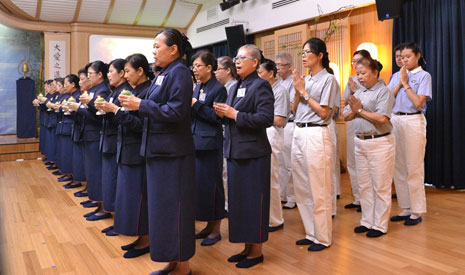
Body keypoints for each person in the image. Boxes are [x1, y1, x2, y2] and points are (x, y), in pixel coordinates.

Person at [119, 29, 195, 275]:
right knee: (162, 210)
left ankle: (183, 267)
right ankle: (171, 261)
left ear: (173, 49)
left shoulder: (181, 73)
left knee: (175, 209)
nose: (153, 51)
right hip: (157, 152)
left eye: (157, 46)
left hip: (173, 154)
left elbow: (176, 112)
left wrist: (141, 104)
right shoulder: (164, 73)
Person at [214, 44, 274, 268]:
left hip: (254, 154)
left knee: (254, 203)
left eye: (242, 58)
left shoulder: (261, 86)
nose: (237, 61)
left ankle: (256, 252)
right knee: (239, 203)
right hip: (234, 151)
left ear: (255, 62)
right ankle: (246, 247)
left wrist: (235, 114)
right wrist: (221, 113)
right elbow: (231, 116)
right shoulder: (234, 87)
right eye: (236, 57)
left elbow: (265, 119)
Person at [291, 37, 338, 251]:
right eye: (302, 52)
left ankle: (323, 237)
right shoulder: (305, 79)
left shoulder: (328, 79)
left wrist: (303, 91)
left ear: (319, 55)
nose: (303, 56)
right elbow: (293, 110)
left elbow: (324, 112)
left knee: (319, 188)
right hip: (298, 131)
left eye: (307, 52)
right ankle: (311, 233)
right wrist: (296, 88)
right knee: (301, 187)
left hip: (317, 133)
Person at [343, 56, 396, 237]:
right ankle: (367, 221)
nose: (360, 77)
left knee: (380, 186)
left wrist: (358, 110)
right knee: (364, 184)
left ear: (375, 72)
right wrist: (356, 110)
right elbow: (345, 116)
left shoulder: (384, 92)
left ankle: (380, 225)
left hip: (380, 142)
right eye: (358, 74)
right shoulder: (358, 92)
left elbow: (382, 118)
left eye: (364, 73)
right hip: (360, 142)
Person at [388, 42, 432, 226]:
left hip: (413, 120)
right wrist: (400, 81)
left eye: (408, 56)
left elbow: (418, 103)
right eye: (401, 56)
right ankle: (405, 208)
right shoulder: (396, 75)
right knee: (398, 167)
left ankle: (416, 211)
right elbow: (388, 99)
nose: (404, 59)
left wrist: (405, 83)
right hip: (394, 120)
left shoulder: (424, 76)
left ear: (418, 56)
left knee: (414, 167)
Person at [190, 50, 228, 246]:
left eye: (197, 66)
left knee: (213, 187)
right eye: (193, 66)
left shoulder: (218, 89)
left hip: (210, 143)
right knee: (201, 188)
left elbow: (216, 117)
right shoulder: (197, 87)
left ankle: (216, 229)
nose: (194, 69)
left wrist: (195, 105)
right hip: (195, 142)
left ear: (209, 68)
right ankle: (207, 225)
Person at [343, 50, 384, 212]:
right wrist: (352, 91)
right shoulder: (352, 79)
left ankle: (370, 199)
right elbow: (346, 102)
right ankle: (358, 198)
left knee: (370, 166)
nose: (355, 64)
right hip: (353, 122)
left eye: (358, 61)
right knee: (353, 162)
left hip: (371, 124)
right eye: (353, 61)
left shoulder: (377, 80)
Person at [97, 58, 132, 236]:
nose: (110, 74)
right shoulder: (114, 91)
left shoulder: (125, 92)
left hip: (122, 142)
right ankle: (113, 217)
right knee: (110, 181)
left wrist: (110, 109)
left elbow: (125, 118)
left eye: (112, 71)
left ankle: (119, 220)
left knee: (116, 182)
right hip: (113, 139)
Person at [257, 59, 289, 232]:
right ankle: (264, 216)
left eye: (260, 73)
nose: (258, 76)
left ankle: (275, 219)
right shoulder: (261, 89)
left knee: (271, 178)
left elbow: (279, 119)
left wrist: (257, 117)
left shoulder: (280, 90)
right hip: (261, 132)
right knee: (261, 178)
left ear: (271, 73)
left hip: (272, 134)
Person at [77, 61, 111, 221]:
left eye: (90, 74)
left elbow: (99, 116)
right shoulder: (94, 90)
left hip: (96, 135)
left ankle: (103, 207)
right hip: (90, 135)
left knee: (97, 172)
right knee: (92, 172)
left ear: (99, 75)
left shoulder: (103, 90)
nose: (88, 77)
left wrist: (82, 107)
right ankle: (98, 203)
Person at [214, 56, 238, 214]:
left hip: (234, 133)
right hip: (224, 133)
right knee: (224, 173)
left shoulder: (234, 87)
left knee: (229, 173)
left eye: (218, 69)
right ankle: (227, 205)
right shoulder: (223, 87)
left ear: (228, 70)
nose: (215, 72)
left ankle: (231, 206)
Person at [275, 52, 296, 209]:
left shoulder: (293, 83)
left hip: (290, 124)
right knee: (280, 163)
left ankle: (292, 197)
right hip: (278, 125)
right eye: (276, 65)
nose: (277, 68)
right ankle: (282, 194)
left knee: (290, 163)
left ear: (290, 66)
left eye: (280, 65)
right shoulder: (277, 83)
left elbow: (292, 105)